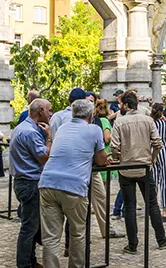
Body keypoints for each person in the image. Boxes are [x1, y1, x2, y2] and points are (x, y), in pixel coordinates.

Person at [38, 99, 109, 268]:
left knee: (51, 238)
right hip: (74, 186)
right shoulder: (94, 130)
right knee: (77, 232)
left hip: (48, 182)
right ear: (90, 116)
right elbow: (101, 159)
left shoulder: (60, 129)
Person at [49, 90, 122, 241]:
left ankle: (85, 237)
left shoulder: (57, 117)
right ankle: (78, 241)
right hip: (80, 168)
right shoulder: (76, 120)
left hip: (70, 167)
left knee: (97, 198)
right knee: (79, 203)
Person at [110, 92, 166, 254]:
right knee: (152, 204)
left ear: (125, 105)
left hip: (126, 169)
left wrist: (119, 158)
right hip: (145, 167)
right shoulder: (148, 120)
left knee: (130, 207)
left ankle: (133, 245)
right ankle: (161, 239)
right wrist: (152, 159)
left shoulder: (120, 121)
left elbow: (114, 147)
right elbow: (158, 143)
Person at [9, 98, 52, 268]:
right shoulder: (30, 132)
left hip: (23, 182)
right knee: (29, 226)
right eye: (49, 110)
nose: (51, 114)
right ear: (41, 111)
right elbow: (44, 157)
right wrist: (49, 137)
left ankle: (30, 261)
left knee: (32, 225)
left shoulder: (23, 128)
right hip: (30, 182)